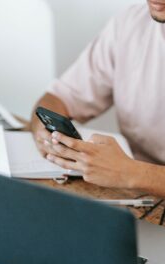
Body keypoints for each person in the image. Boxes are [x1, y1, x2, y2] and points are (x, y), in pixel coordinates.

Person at [31, 0, 165, 197]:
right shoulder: (131, 24)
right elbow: (59, 97)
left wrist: (130, 172)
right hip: (138, 196)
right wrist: (45, 132)